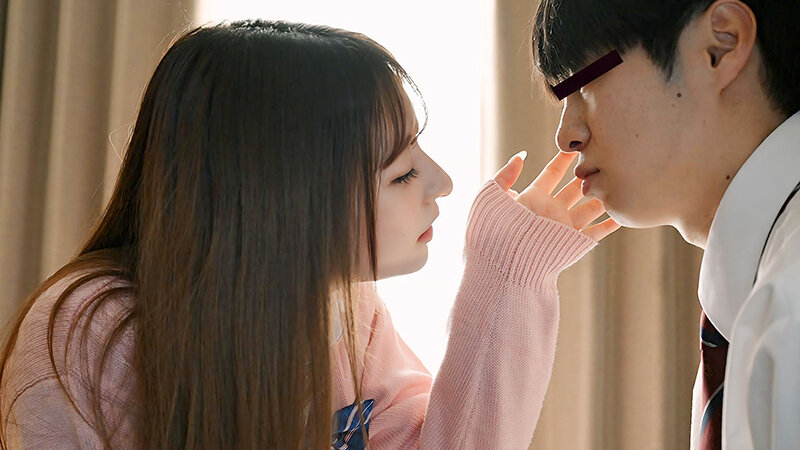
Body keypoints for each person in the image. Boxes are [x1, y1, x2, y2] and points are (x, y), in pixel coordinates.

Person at [0, 20, 619, 449]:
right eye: (402, 173)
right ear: (281, 191)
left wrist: (508, 273)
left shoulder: (348, 310)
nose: (444, 182)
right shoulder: (95, 332)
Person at [531, 0, 800, 448]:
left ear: (720, 46)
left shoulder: (791, 300)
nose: (566, 136)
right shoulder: (754, 298)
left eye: (586, 80)